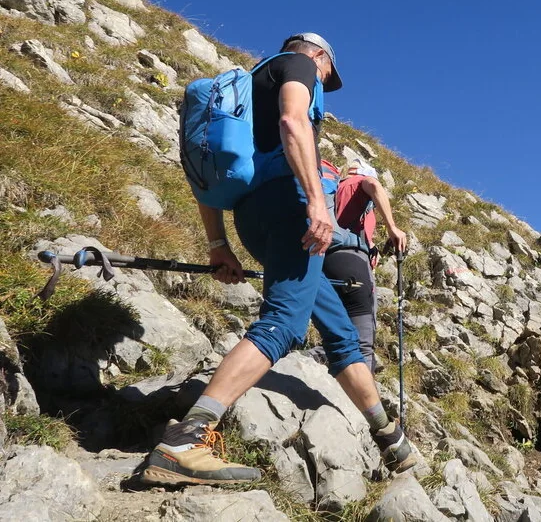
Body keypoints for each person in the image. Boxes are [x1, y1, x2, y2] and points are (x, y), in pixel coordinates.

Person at [141, 33, 417, 486]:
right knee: (285, 323)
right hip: (290, 207)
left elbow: (203, 176)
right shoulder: (298, 66)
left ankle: (392, 441)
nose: (325, 79)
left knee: (341, 334)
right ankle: (187, 439)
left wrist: (219, 245)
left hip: (253, 217)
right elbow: (294, 123)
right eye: (329, 73)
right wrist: (314, 202)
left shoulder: (242, 95)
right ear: (321, 58)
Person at [323, 159, 407, 373]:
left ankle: (316, 363)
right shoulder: (360, 181)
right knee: (363, 342)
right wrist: (392, 227)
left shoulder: (334, 191)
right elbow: (374, 186)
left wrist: (370, 245)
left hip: (328, 262)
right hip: (353, 263)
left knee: (340, 331)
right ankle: (361, 401)